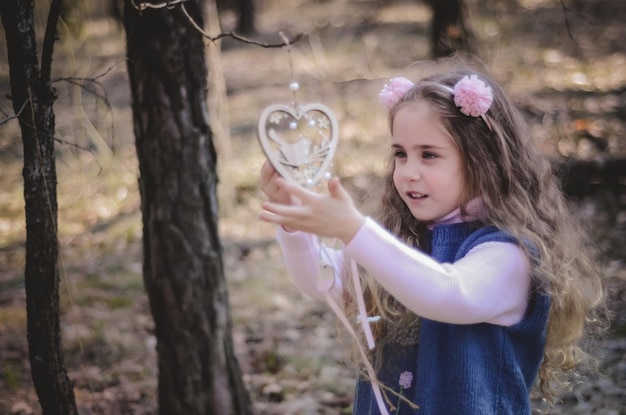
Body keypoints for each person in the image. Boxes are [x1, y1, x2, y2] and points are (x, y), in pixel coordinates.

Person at [258, 67, 605, 414]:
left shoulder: (508, 254)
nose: (409, 171)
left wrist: (354, 230)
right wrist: (295, 224)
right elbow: (323, 281)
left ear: (481, 160)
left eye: (429, 155)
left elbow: (447, 293)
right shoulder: (403, 242)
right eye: (400, 154)